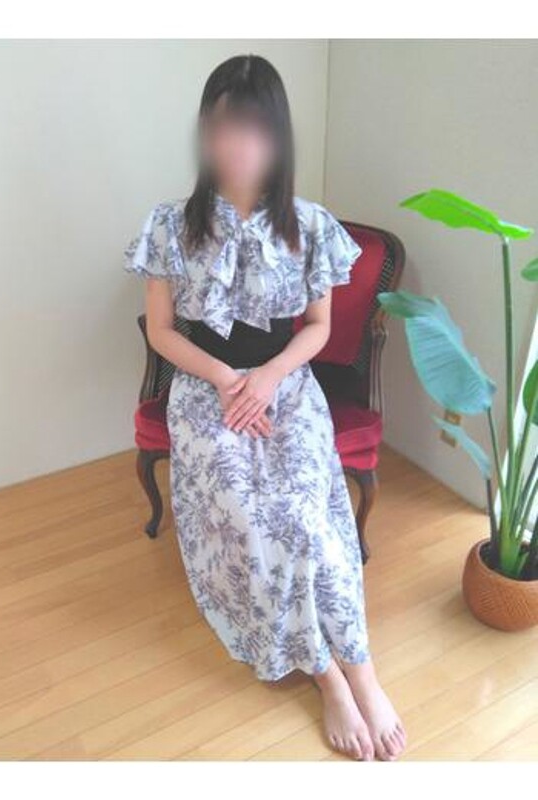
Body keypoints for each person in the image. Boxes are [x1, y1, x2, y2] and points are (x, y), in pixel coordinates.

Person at [124, 53, 406, 762]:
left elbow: (318, 326)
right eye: (222, 127)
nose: (237, 144)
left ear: (277, 136)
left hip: (286, 383)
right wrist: (227, 380)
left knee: (308, 511)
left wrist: (271, 377)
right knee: (252, 512)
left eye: (252, 128)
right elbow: (162, 331)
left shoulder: (310, 226)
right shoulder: (170, 225)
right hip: (205, 387)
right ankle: (324, 674)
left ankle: (361, 669)